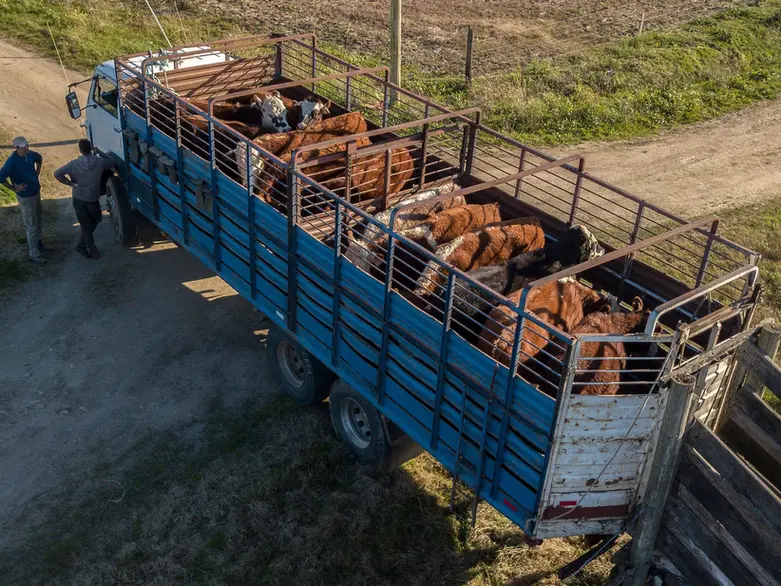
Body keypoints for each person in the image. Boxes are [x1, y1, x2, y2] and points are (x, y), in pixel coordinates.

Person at [54, 139, 116, 259]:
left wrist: (70, 183)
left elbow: (57, 173)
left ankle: (82, 246)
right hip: (92, 198)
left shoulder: (74, 164)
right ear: (91, 148)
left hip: (78, 198)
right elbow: (112, 162)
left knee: (85, 225)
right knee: (96, 218)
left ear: (80, 150)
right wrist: (99, 151)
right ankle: (91, 250)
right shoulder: (99, 162)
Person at [0, 136, 50, 264]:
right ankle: (33, 253)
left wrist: (37, 173)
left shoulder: (30, 154)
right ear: (16, 148)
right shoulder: (11, 162)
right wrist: (13, 188)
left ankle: (39, 244)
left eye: (27, 145)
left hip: (35, 192)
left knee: (38, 219)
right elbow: (1, 177)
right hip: (26, 197)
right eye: (23, 147)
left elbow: (39, 158)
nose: (27, 148)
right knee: (31, 224)